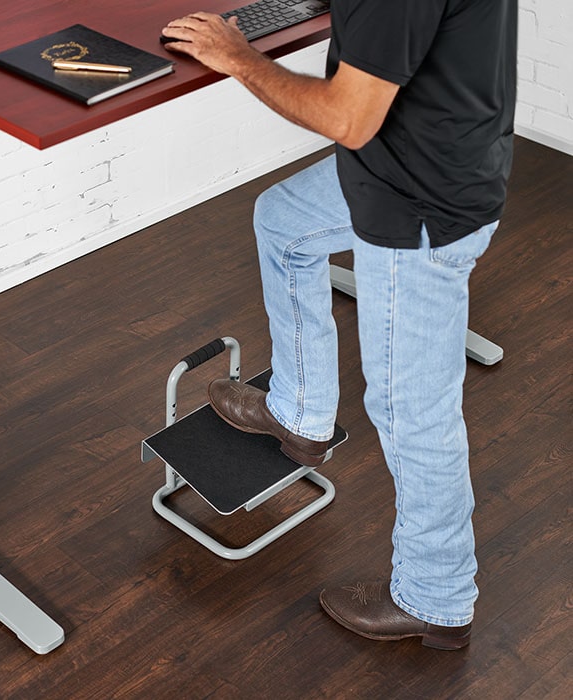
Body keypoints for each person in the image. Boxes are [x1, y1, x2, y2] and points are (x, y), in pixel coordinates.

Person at [161, 1, 517, 650]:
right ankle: (300, 413)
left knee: (413, 411)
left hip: (421, 204)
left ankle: (435, 599)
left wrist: (238, 57)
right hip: (423, 155)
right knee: (284, 222)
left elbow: (348, 118)